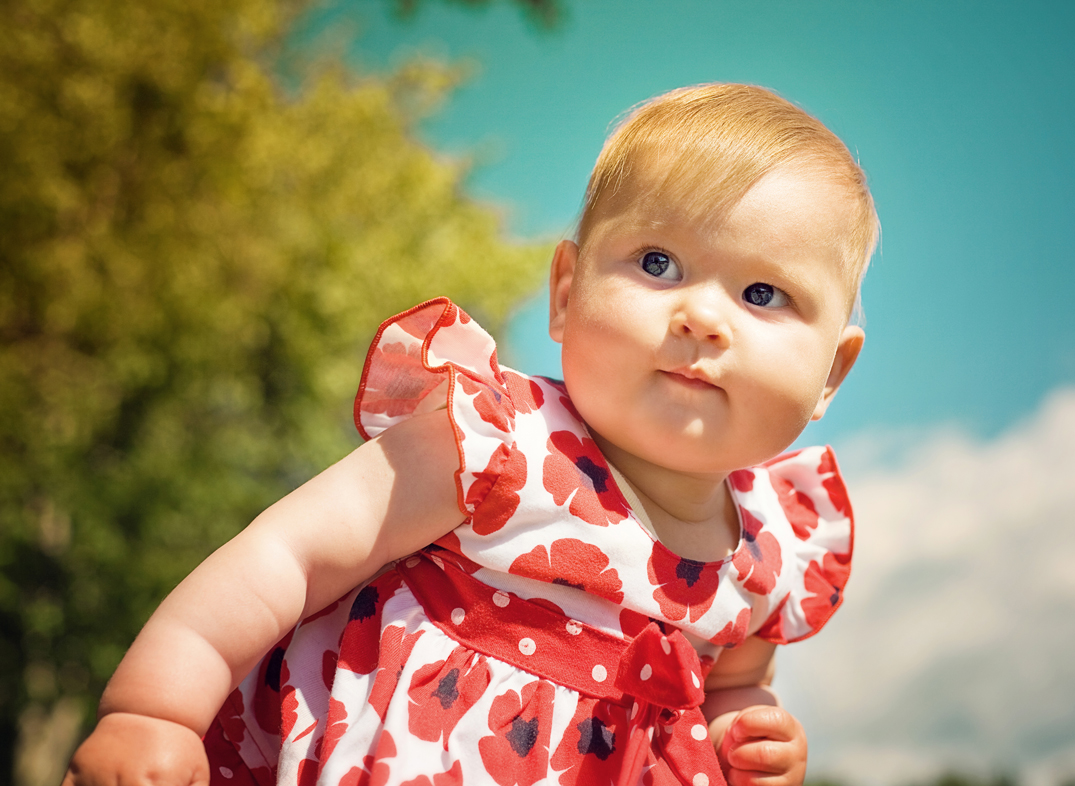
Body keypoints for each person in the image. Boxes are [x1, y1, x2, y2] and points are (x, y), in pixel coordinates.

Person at [64, 83, 877, 786]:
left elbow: (732, 682)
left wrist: (752, 734)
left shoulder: (769, 548)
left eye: (763, 292)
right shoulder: (500, 444)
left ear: (830, 376)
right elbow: (287, 557)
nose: (701, 317)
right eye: (658, 263)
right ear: (565, 293)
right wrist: (156, 709)